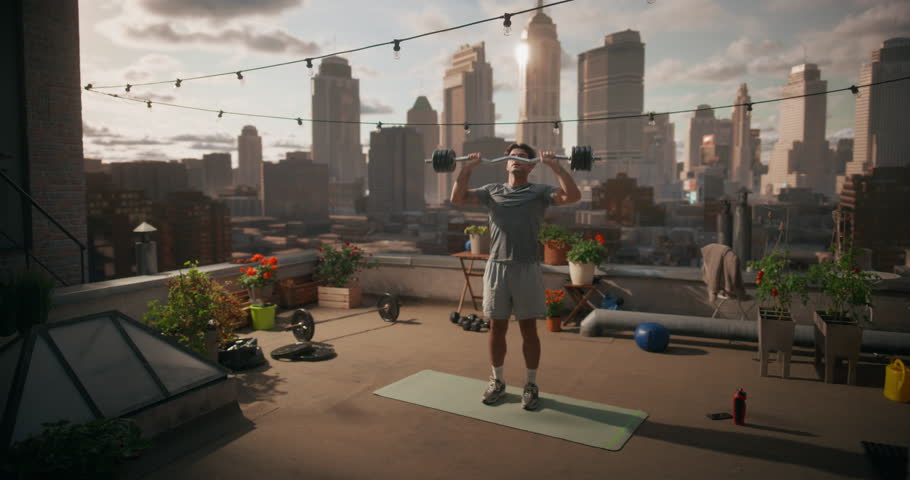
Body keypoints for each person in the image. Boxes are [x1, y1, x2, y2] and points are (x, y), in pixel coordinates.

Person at [450, 143, 581, 410]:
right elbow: (457, 198)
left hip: (527, 268)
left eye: (522, 157)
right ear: (505, 163)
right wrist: (467, 169)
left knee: (528, 329)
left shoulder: (540, 192)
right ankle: (497, 381)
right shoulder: (492, 191)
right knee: (497, 328)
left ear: (531, 166)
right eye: (512, 157)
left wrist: (556, 167)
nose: (516, 160)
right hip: (497, 267)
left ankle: (530, 385)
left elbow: (573, 196)